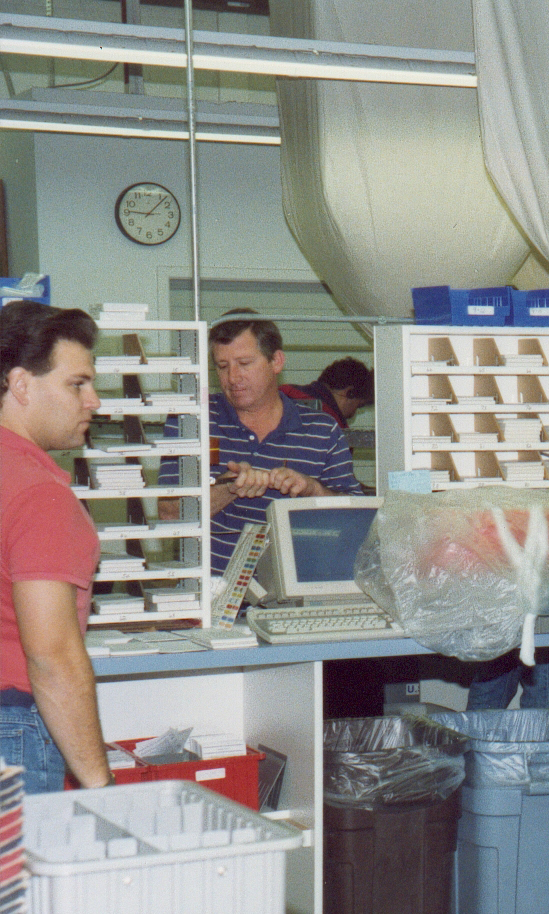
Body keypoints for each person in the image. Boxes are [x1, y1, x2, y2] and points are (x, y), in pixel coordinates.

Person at [1, 301, 112, 793]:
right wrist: (99, 786)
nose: (94, 401)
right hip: (13, 729)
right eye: (77, 383)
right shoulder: (40, 495)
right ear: (21, 385)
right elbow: (53, 657)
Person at [162, 312, 364, 575]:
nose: (233, 378)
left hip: (294, 600)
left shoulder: (322, 430)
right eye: (222, 366)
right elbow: (168, 514)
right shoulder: (191, 421)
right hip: (210, 600)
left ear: (276, 361)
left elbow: (357, 521)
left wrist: (312, 490)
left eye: (244, 363)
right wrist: (229, 487)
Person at [279, 356, 374, 430]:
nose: (353, 414)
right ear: (350, 393)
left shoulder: (285, 391)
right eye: (358, 406)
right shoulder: (334, 427)